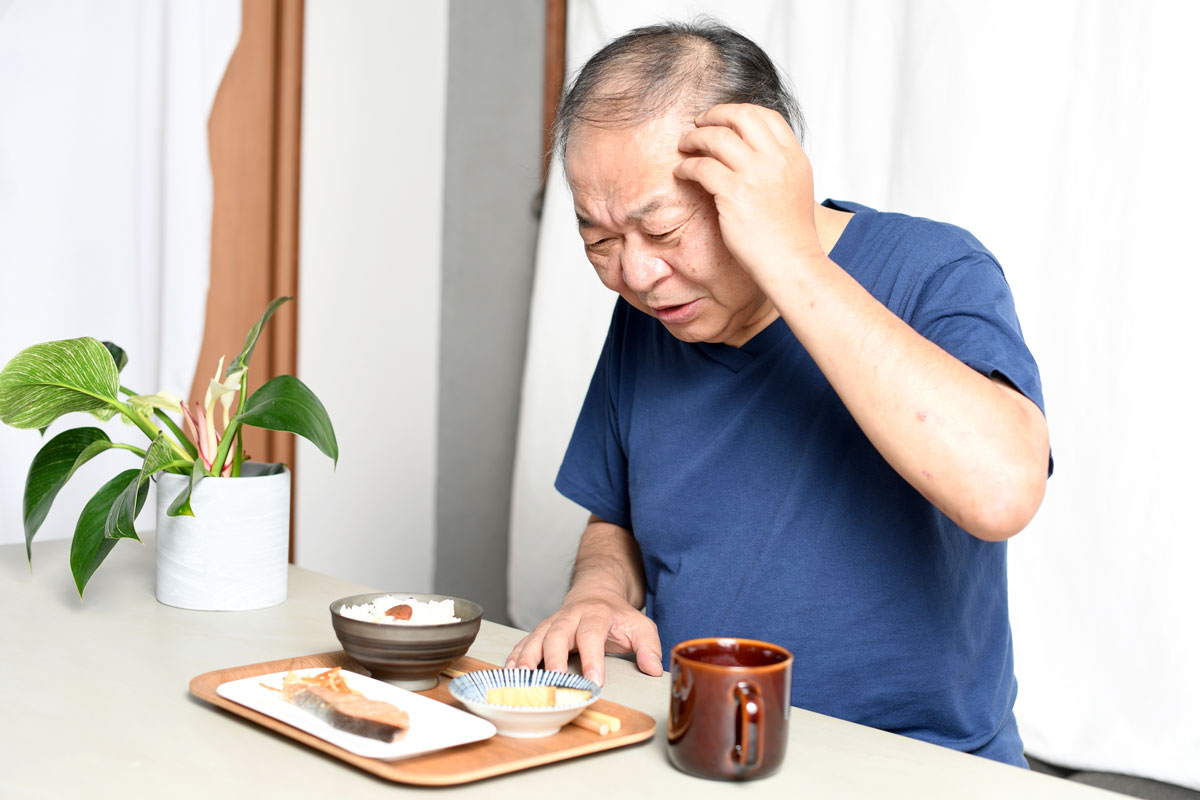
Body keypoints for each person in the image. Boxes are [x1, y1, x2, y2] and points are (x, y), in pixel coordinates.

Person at [506, 20, 1050, 767]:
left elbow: (1003, 492)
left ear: (754, 178)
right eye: (598, 240)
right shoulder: (656, 317)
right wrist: (598, 594)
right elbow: (617, 518)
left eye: (660, 229)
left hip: (922, 762)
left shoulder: (934, 268)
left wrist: (789, 255)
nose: (633, 274)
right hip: (706, 749)